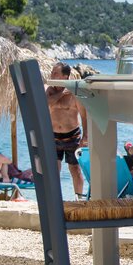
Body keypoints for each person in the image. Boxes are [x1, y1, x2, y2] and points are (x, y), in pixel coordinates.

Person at [46, 62, 88, 199]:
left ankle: (79, 198)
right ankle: (55, 199)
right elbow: (46, 103)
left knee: (75, 169)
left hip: (72, 136)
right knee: (54, 170)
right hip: (53, 136)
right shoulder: (50, 91)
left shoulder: (74, 93)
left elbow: (83, 115)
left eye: (55, 73)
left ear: (65, 76)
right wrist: (61, 93)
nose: (52, 75)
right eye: (52, 72)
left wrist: (86, 136)